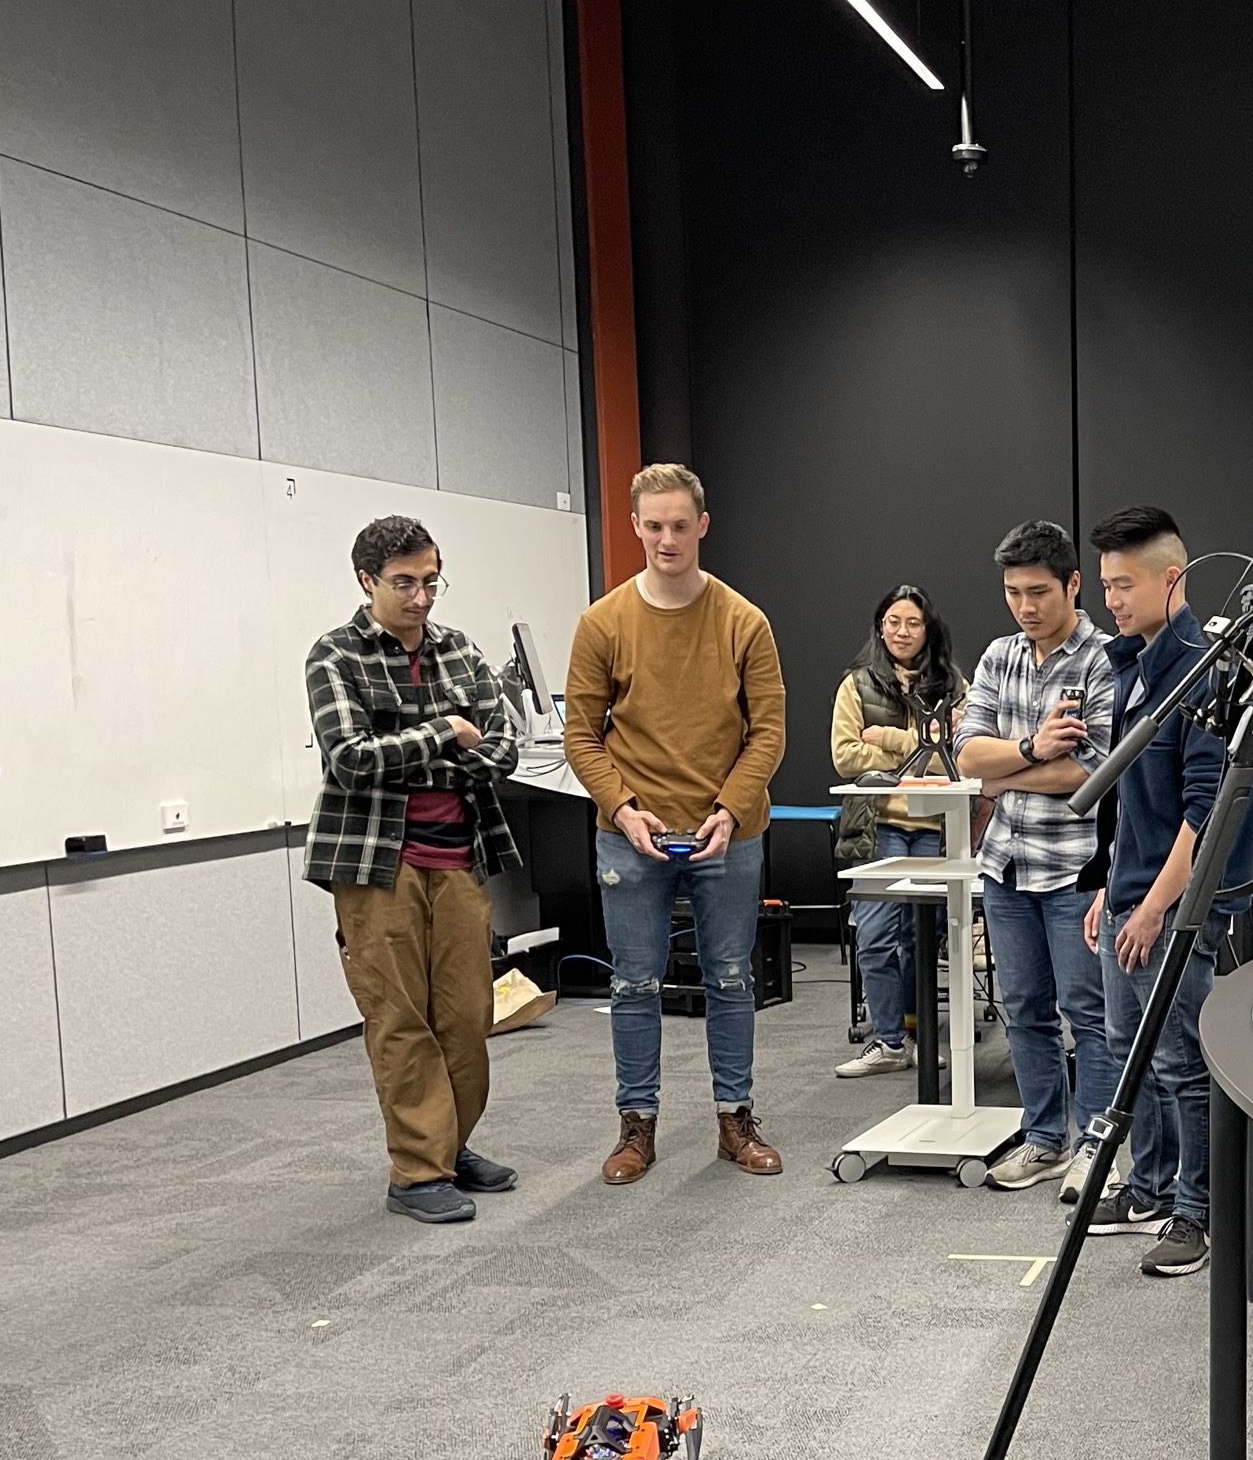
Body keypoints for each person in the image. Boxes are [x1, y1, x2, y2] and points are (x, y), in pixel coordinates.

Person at [563, 462, 788, 1184]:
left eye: (679, 525)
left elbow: (768, 731)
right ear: (635, 526)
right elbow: (581, 736)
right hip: (630, 834)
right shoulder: (602, 623)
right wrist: (622, 808)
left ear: (703, 526)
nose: (666, 538)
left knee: (729, 977)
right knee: (633, 983)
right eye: (653, 526)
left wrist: (728, 808)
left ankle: (735, 1120)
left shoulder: (742, 620)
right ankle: (637, 1126)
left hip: (730, 830)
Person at [303, 516, 523, 1224]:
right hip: (375, 866)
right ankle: (416, 1172)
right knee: (400, 1021)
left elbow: (503, 750)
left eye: (431, 581)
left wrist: (423, 744)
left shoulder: (460, 650)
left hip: (460, 857)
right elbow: (350, 760)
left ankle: (449, 1149)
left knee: (465, 1017)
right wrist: (445, 733)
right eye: (404, 583)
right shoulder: (335, 656)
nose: (422, 597)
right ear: (367, 581)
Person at [1083, 504, 1253, 1279]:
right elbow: (1135, 800)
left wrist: (1157, 906)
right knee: (1135, 1059)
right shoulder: (1137, 661)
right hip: (1133, 895)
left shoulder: (1204, 671)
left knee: (1184, 1064)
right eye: (1106, 586)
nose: (1112, 601)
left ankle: (1198, 1210)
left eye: (1124, 585)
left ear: (1172, 578)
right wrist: (1113, 890)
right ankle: (1149, 1188)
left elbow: (1207, 810)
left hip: (1179, 910)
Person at [956, 521, 1120, 1197]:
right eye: (1013, 593)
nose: (1026, 607)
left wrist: (1005, 771)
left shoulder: (1106, 660)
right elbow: (968, 756)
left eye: (1039, 592)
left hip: (1075, 866)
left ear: (1073, 584)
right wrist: (1030, 751)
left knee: (1088, 1011)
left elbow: (1092, 774)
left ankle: (1095, 1146)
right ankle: (1046, 1138)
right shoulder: (999, 657)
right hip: (1006, 864)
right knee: (1024, 1008)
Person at [832, 585, 967, 1077]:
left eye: (912, 622)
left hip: (934, 827)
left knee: (921, 939)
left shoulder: (953, 683)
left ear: (927, 628)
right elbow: (845, 755)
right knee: (873, 936)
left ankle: (917, 1035)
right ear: (880, 626)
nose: (902, 632)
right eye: (893, 622)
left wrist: (887, 738)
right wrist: (920, 752)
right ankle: (889, 1042)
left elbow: (959, 750)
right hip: (877, 827)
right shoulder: (858, 684)